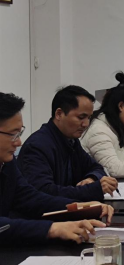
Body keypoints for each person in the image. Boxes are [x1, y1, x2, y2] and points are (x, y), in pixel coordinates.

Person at [0, 92, 113, 245]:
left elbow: (30, 197)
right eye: (13, 134)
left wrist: (78, 207)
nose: (19, 142)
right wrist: (52, 229)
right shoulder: (37, 145)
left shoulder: (7, 162)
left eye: (20, 133)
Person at [17, 86, 118, 202]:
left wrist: (91, 178)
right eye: (81, 117)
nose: (86, 124)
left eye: (89, 117)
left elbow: (96, 167)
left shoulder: (71, 140)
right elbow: (44, 193)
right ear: (59, 114)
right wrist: (91, 189)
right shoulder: (37, 146)